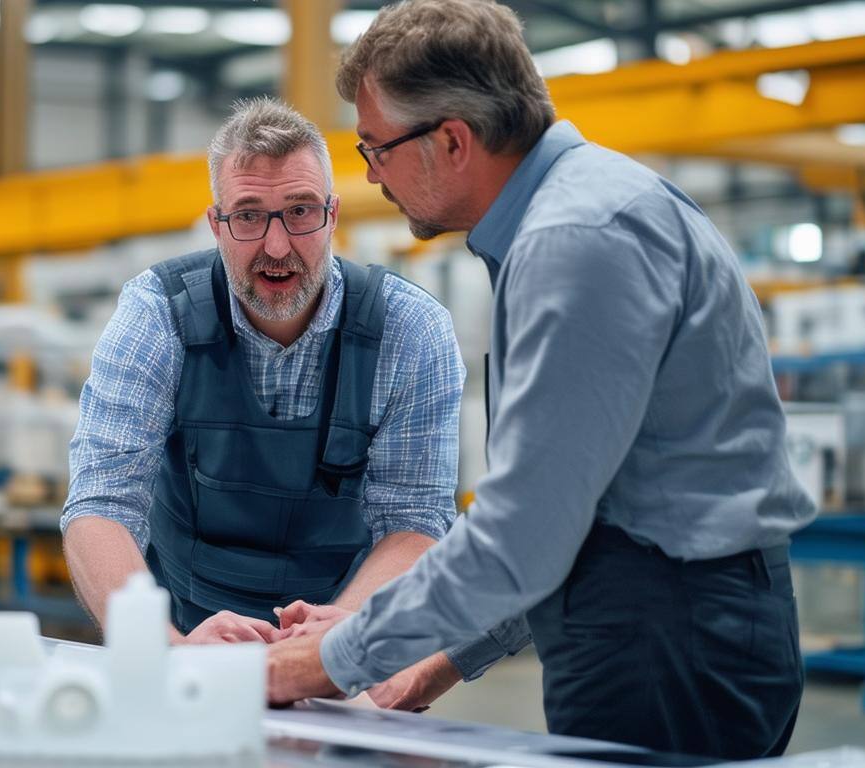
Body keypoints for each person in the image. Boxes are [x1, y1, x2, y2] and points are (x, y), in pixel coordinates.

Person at [266, 0, 817, 760]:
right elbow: (576, 520)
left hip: (666, 643)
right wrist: (430, 661)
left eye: (376, 149)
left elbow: (527, 531)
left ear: (452, 140)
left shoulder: (575, 243)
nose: (374, 177)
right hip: (667, 623)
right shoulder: (583, 213)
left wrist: (323, 660)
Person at [61, 97, 516, 703]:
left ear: (331, 215)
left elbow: (413, 520)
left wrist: (339, 643)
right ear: (216, 223)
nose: (277, 246)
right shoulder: (156, 315)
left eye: (299, 212)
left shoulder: (411, 331)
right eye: (249, 216)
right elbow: (101, 503)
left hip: (347, 651)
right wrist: (163, 647)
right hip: (183, 640)